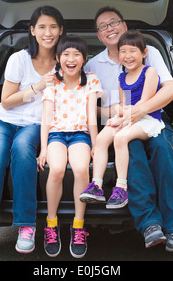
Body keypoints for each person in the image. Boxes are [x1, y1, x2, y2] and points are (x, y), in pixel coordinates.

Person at [84, 6, 173, 252]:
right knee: (132, 150)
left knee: (163, 151)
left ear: (124, 26)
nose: (110, 29)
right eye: (103, 26)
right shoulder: (91, 66)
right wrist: (102, 127)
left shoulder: (148, 54)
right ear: (99, 35)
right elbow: (83, 103)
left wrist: (138, 111)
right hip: (118, 123)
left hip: (151, 118)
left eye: (114, 23)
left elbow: (171, 91)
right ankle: (150, 224)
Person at [0, 5, 65, 261]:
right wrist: (37, 86)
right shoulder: (19, 59)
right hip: (2, 121)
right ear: (33, 31)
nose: (48, 32)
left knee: (22, 151)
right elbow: (6, 101)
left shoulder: (66, 61)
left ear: (60, 30)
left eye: (53, 26)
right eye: (42, 27)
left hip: (36, 124)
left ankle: (26, 226)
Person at [80, 30, 165, 209]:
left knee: (120, 138)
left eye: (133, 51)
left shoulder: (150, 72)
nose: (128, 56)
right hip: (129, 117)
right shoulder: (122, 78)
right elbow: (124, 103)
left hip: (147, 119)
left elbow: (143, 104)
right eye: (123, 51)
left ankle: (121, 187)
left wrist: (122, 120)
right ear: (118, 55)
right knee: (102, 138)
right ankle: (96, 185)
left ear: (144, 53)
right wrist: (117, 117)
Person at [37, 35, 101, 258]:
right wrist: (43, 148)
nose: (71, 59)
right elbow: (46, 118)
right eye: (66, 54)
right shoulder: (52, 81)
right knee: (57, 169)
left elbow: (92, 116)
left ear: (84, 59)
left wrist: (95, 144)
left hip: (80, 136)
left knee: (82, 170)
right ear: (57, 58)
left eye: (77, 54)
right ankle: (51, 224)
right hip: (56, 134)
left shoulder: (91, 80)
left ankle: (78, 226)